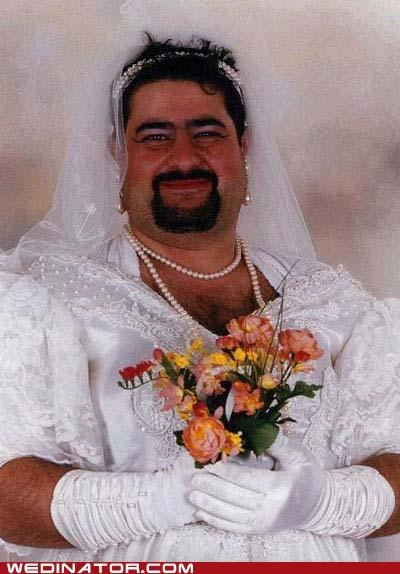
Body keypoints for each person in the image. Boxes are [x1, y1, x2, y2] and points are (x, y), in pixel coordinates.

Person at [0, 2, 400, 561]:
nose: (183, 157)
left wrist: (320, 500)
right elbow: (7, 495)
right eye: (154, 136)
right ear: (118, 153)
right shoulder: (50, 300)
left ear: (244, 146)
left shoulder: (333, 303)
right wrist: (158, 500)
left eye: (207, 132)